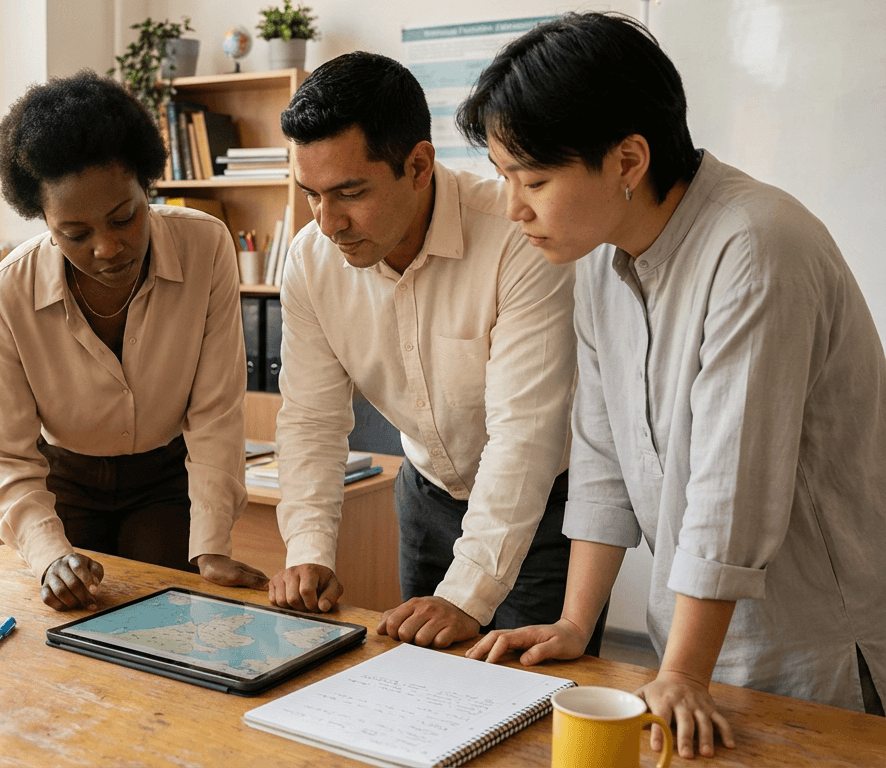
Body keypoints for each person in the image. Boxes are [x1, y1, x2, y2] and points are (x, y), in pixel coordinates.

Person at [456, 11, 886, 760]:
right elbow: (601, 457)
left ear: (627, 161)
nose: (513, 207)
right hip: (687, 654)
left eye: (534, 180)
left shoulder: (755, 246)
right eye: (504, 179)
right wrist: (572, 624)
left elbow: (733, 485)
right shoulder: (597, 257)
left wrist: (685, 669)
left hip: (812, 649)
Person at [268, 52, 592, 655]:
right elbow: (311, 418)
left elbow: (523, 434)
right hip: (426, 495)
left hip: (545, 505)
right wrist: (308, 550)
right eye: (310, 193)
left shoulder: (517, 235)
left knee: (532, 702)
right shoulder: (311, 260)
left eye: (349, 192)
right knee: (423, 686)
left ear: (418, 165)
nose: (328, 221)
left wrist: (468, 594)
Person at [0, 70, 266, 611]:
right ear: (42, 219)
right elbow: (10, 454)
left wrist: (210, 545)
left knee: (165, 616)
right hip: (63, 483)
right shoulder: (7, 292)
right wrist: (48, 554)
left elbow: (215, 411)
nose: (107, 248)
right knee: (71, 629)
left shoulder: (206, 247)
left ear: (148, 185)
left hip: (163, 479)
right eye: (76, 233)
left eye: (124, 218)